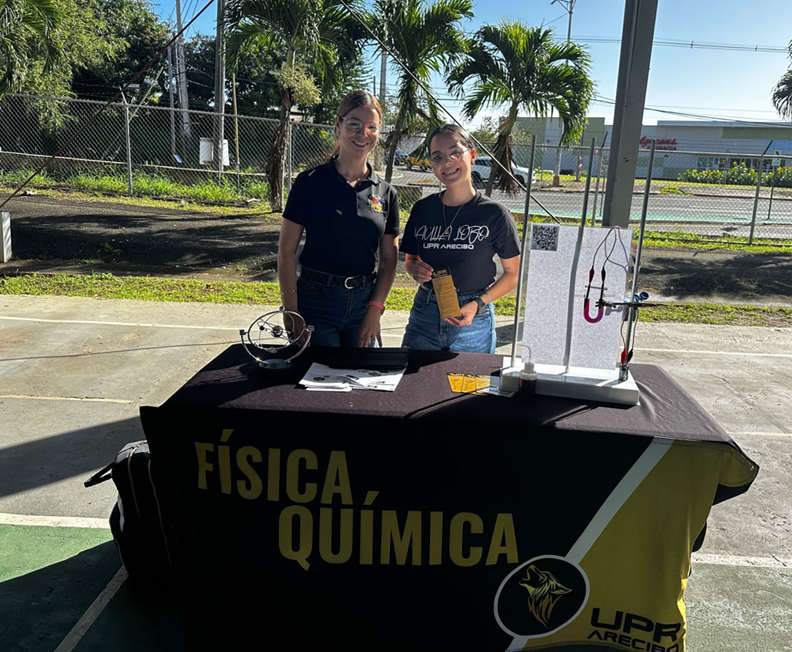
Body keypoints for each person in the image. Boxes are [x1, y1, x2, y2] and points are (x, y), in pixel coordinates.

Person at [277, 91, 399, 348]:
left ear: (378, 132)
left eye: (371, 127)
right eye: (354, 124)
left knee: (364, 383)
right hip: (315, 302)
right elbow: (286, 251)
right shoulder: (309, 183)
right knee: (316, 383)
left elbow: (389, 259)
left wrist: (375, 309)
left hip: (364, 305)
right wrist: (291, 311)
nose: (362, 133)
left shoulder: (386, 193)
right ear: (338, 124)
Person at [400, 124, 521, 353]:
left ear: (472, 155)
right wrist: (415, 269)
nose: (447, 162)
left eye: (455, 152)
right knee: (412, 383)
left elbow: (513, 274)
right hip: (425, 312)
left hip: (474, 316)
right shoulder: (423, 210)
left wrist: (478, 304)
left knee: (470, 387)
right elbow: (411, 259)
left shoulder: (494, 214)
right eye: (437, 157)